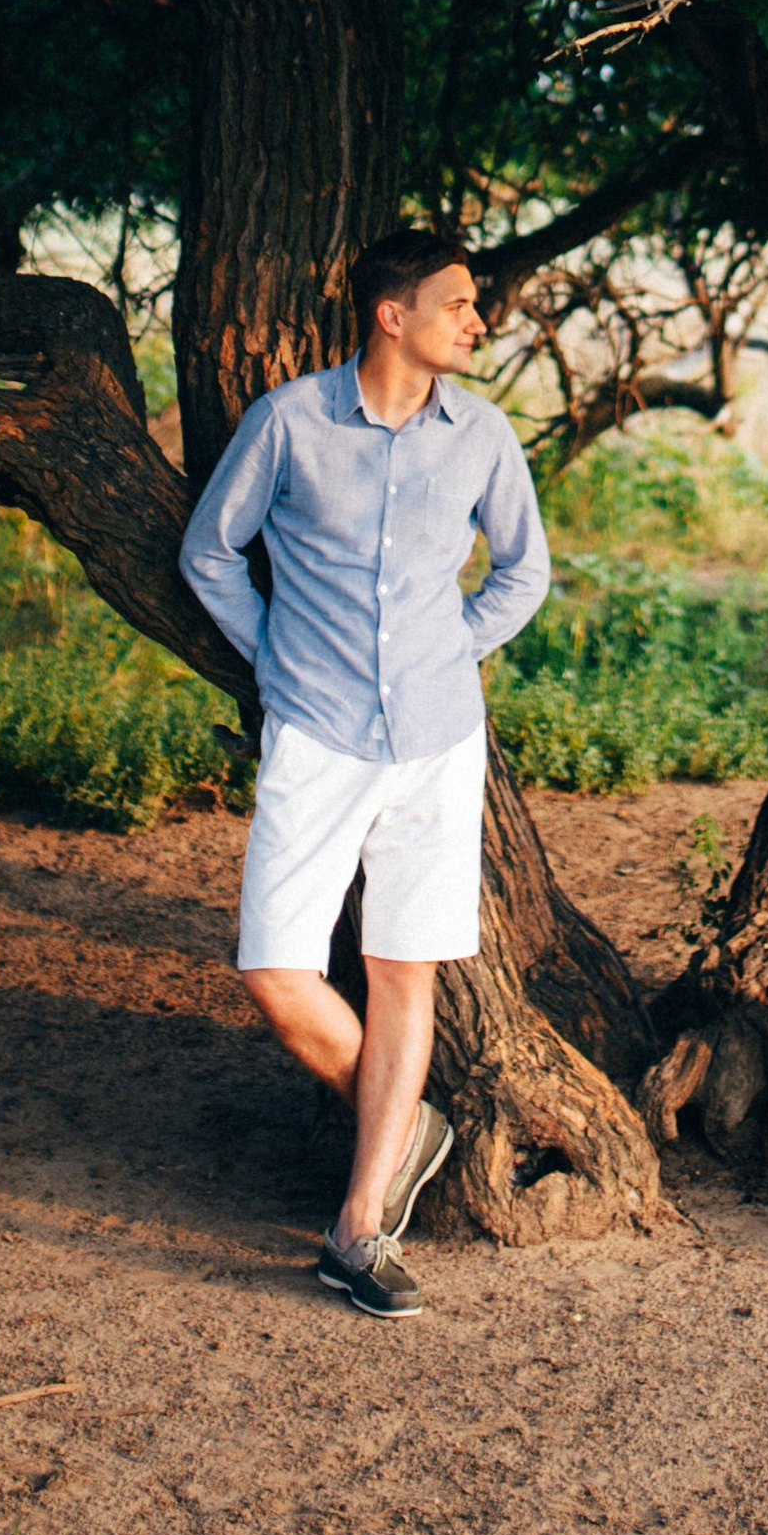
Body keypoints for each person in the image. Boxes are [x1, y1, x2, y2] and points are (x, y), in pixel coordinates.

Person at [179, 227, 549, 1320]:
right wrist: (276, 656)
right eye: (459, 302)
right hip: (317, 731)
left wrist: (454, 643)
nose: (477, 321)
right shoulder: (289, 422)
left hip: (438, 735)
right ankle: (406, 1124)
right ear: (393, 314)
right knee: (276, 968)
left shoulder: (480, 434)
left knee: (403, 968)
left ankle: (357, 1224)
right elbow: (210, 549)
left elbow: (523, 571)